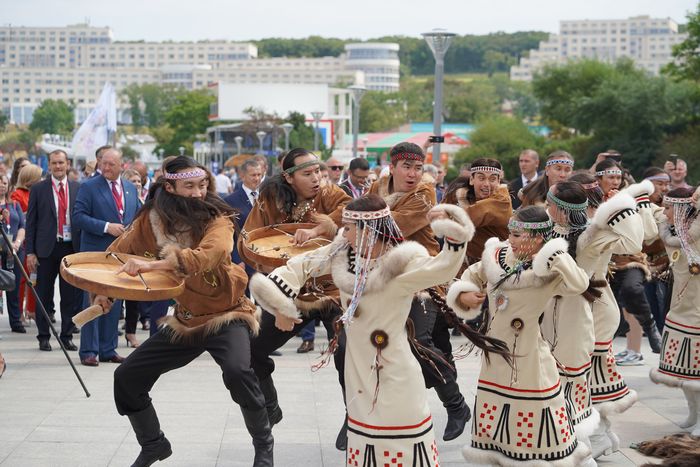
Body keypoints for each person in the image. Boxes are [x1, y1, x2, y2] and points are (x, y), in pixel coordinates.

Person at [251, 197, 482, 466]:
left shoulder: (404, 262)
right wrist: (281, 306)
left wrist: (451, 228)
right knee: (365, 435)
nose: (342, 232)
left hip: (395, 367)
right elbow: (300, 265)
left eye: (348, 227)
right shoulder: (342, 254)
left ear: (368, 231)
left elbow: (443, 266)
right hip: (358, 367)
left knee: (402, 436)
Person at [105, 156, 273, 466]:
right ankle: (154, 444)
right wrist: (104, 293)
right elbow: (115, 257)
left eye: (203, 184)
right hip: (186, 320)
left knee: (238, 373)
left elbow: (212, 254)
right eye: (189, 186)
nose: (198, 193)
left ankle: (264, 445)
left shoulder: (218, 217)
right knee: (126, 377)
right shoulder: (150, 221)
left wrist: (155, 264)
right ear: (169, 187)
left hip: (227, 314)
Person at [448, 206, 592, 465]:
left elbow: (579, 284)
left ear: (537, 237)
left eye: (517, 234)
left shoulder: (549, 267)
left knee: (536, 412)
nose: (510, 239)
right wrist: (464, 293)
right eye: (510, 232)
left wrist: (555, 253)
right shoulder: (498, 255)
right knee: (497, 414)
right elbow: (472, 274)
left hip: (528, 353)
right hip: (495, 353)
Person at [241, 148, 351, 443]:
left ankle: (353, 418)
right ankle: (270, 405)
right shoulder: (270, 200)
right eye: (307, 173)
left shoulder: (331, 194)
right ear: (289, 177)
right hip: (294, 295)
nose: (316, 178)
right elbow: (248, 239)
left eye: (318, 172)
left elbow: (351, 215)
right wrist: (269, 260)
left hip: (334, 291)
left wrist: (320, 227)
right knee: (251, 350)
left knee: (348, 354)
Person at [367, 142, 471, 443]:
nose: (413, 174)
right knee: (358, 347)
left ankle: (456, 405)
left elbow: (391, 227)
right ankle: (358, 414)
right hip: (383, 280)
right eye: (406, 167)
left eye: (417, 167)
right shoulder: (377, 186)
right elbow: (359, 222)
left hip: (423, 280)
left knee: (419, 343)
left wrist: (360, 223)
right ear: (392, 167)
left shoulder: (425, 193)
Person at [541, 175, 643, 460]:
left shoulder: (590, 234)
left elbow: (634, 241)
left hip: (588, 312)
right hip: (571, 314)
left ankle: (590, 440)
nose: (545, 206)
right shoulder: (561, 231)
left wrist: (622, 207)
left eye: (549, 202)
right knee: (586, 380)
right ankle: (599, 436)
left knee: (581, 381)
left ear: (561, 208)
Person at [72, 148, 140, 366]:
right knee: (92, 300)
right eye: (103, 163)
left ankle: (108, 349)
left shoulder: (129, 188)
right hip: (95, 254)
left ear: (123, 166)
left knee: (114, 301)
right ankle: (89, 351)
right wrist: (106, 227)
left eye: (111, 164)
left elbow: (136, 216)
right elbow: (78, 217)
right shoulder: (89, 187)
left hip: (119, 256)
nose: (106, 167)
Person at [649, 186, 700, 437]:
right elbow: (650, 214)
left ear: (681, 209)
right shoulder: (669, 227)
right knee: (684, 370)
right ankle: (693, 413)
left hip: (698, 310)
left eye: (669, 207)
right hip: (680, 307)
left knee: (698, 372)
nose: (664, 211)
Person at [25, 150, 82, 351]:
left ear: (67, 164)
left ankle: (67, 335)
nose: (58, 166)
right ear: (49, 165)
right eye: (54, 163)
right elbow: (30, 222)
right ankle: (43, 336)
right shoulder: (39, 189)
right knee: (43, 294)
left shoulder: (77, 188)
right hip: (46, 249)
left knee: (70, 296)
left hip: (70, 248)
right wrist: (30, 251)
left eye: (61, 163)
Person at [442, 159, 512, 265]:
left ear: (498, 182)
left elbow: (467, 219)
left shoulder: (502, 201)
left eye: (492, 179)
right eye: (481, 178)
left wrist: (449, 215)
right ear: (471, 179)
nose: (487, 184)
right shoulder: (460, 196)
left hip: (494, 267)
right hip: (461, 264)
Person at [639, 168, 672, 332]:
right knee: (653, 311)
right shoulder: (633, 204)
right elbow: (647, 237)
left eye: (667, 184)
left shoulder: (672, 205)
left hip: (668, 268)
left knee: (666, 312)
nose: (665, 188)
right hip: (644, 266)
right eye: (660, 183)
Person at [11, 164, 42, 324]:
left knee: (34, 278)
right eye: (39, 176)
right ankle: (19, 313)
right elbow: (17, 217)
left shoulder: (38, 192)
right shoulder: (17, 195)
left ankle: (31, 309)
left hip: (37, 240)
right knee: (23, 279)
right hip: (24, 242)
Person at [224, 158, 262, 282]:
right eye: (253, 175)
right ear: (242, 176)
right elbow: (231, 234)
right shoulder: (230, 201)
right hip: (243, 260)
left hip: (265, 258)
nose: (257, 178)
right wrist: (236, 260)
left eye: (259, 175)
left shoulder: (268, 196)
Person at [0, 173, 26, 334]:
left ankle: (16, 320)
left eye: (4, 182)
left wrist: (17, 243)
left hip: (13, 251)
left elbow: (22, 226)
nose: (2, 185)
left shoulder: (14, 205)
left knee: (14, 285)